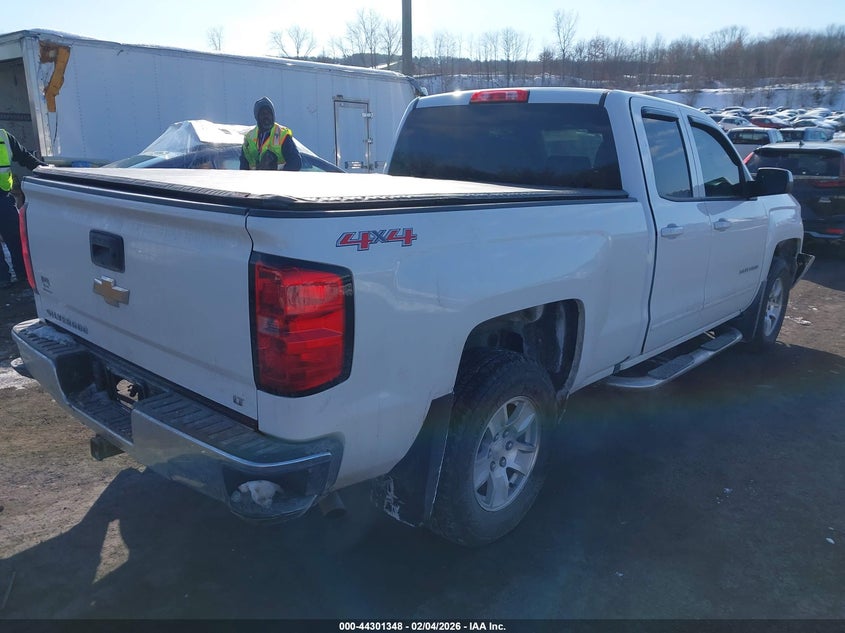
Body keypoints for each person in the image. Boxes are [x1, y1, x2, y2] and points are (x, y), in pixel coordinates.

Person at [0, 129, 47, 289]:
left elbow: (25, 158)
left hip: (3, 197)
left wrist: (46, 170)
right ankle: (2, 279)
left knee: (15, 238)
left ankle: (22, 275)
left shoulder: (4, 136)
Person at [239, 96, 302, 172]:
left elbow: (295, 163)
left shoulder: (282, 134)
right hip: (254, 183)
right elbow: (243, 169)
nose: (266, 116)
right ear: (257, 117)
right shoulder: (249, 139)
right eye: (263, 113)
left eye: (269, 113)